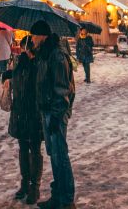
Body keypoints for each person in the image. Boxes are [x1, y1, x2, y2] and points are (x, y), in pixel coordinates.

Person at [31, 20, 76, 209]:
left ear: (42, 36)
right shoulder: (45, 54)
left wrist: (56, 117)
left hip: (55, 113)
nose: (32, 39)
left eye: (34, 36)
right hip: (47, 111)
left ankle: (66, 200)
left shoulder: (57, 56)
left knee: (60, 156)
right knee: (55, 155)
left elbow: (62, 90)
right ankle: (58, 195)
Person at [7, 36, 43, 204]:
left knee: (35, 149)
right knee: (23, 149)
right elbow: (16, 84)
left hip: (35, 114)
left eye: (26, 48)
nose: (25, 51)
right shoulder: (19, 64)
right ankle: (25, 183)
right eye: (23, 48)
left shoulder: (40, 64)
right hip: (20, 112)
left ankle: (35, 187)